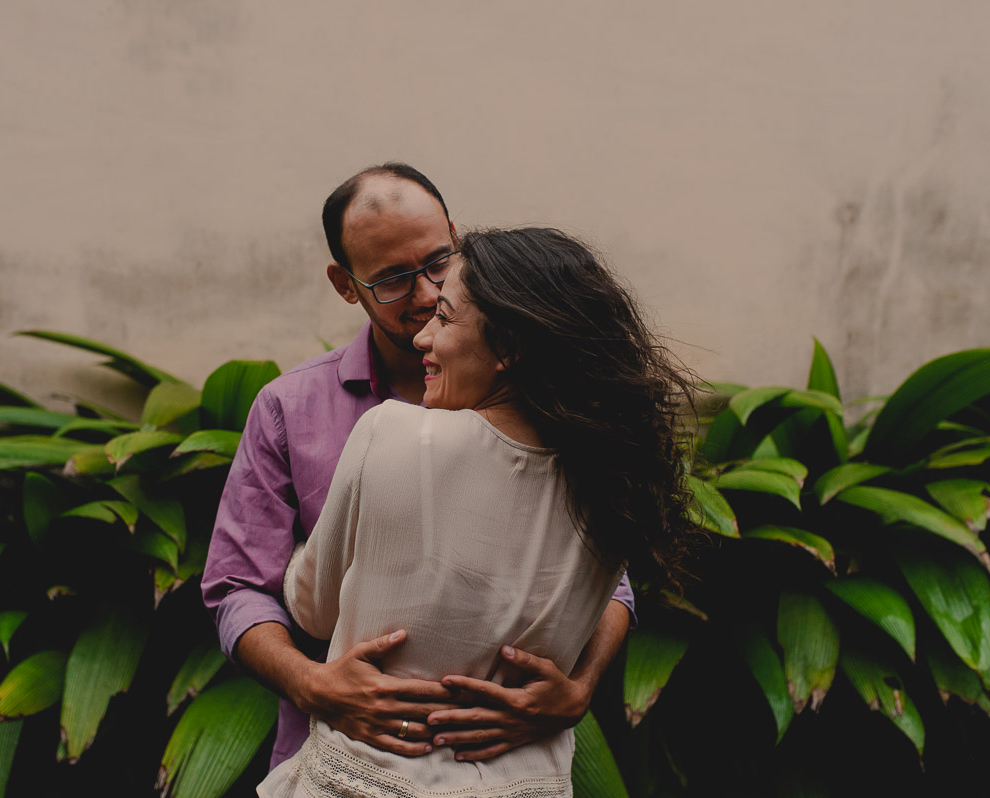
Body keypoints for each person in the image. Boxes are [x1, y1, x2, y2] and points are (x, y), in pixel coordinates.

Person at [200, 164, 636, 769]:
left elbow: (606, 571)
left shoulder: (548, 399)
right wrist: (309, 682)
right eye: (393, 280)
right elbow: (237, 585)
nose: (428, 294)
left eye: (438, 262)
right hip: (345, 761)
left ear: (457, 240)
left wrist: (581, 687)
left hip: (505, 764)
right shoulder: (289, 409)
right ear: (346, 284)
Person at [259, 227, 694, 797]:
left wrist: (305, 561)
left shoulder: (391, 431)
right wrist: (580, 686)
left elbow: (313, 611)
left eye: (443, 315)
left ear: (508, 347)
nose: (423, 339)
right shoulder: (619, 482)